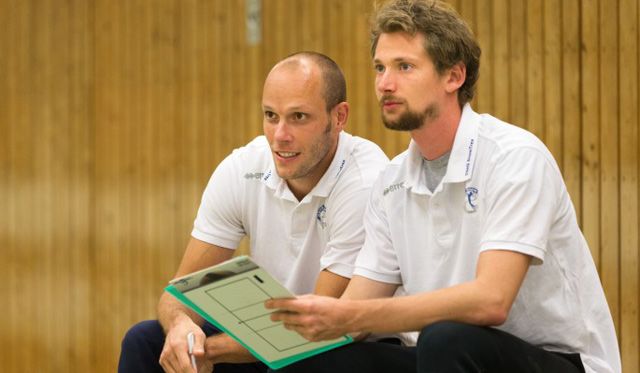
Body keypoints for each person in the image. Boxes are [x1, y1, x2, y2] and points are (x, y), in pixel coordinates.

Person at [265, 1, 621, 372]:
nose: (385, 83)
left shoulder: (515, 157)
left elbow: (491, 301)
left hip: (556, 359)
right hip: (443, 354)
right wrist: (277, 331)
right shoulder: (391, 182)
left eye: (404, 67)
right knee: (329, 356)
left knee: (445, 338)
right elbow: (353, 317)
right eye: (380, 68)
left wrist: (350, 314)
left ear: (454, 76)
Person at [118, 51, 389, 373]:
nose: (280, 135)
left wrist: (208, 350)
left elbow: (321, 325)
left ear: (339, 117)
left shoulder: (365, 179)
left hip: (338, 345)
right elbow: (180, 290)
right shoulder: (243, 167)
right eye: (271, 116)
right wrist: (180, 328)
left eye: (299, 117)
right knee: (145, 340)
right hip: (268, 338)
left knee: (314, 360)